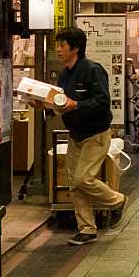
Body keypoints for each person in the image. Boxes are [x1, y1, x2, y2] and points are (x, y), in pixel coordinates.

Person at [51, 27, 123, 243]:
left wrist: (77, 105)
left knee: (83, 178)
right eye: (58, 44)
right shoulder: (64, 74)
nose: (58, 49)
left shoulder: (93, 70)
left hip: (96, 134)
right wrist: (45, 104)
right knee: (75, 183)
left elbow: (102, 102)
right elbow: (61, 103)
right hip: (75, 134)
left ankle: (117, 200)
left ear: (76, 48)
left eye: (62, 45)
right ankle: (87, 229)